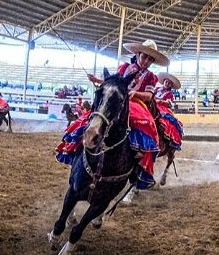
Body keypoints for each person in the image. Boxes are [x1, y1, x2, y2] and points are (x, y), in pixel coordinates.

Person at [57, 39, 168, 189]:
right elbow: (112, 83)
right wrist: (97, 80)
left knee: (145, 123)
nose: (146, 61)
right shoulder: (124, 67)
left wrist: (135, 94)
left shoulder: (151, 77)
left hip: (136, 103)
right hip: (117, 99)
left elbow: (149, 96)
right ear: (138, 54)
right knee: (95, 114)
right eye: (144, 57)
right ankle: (78, 144)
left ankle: (139, 154)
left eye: (150, 59)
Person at [153, 73, 184, 153]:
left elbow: (168, 103)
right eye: (166, 82)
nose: (167, 84)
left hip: (162, 108)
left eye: (169, 83)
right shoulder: (157, 89)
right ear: (163, 82)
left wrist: (160, 101)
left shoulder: (170, 93)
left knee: (167, 122)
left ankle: (168, 141)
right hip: (152, 104)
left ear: (171, 85)